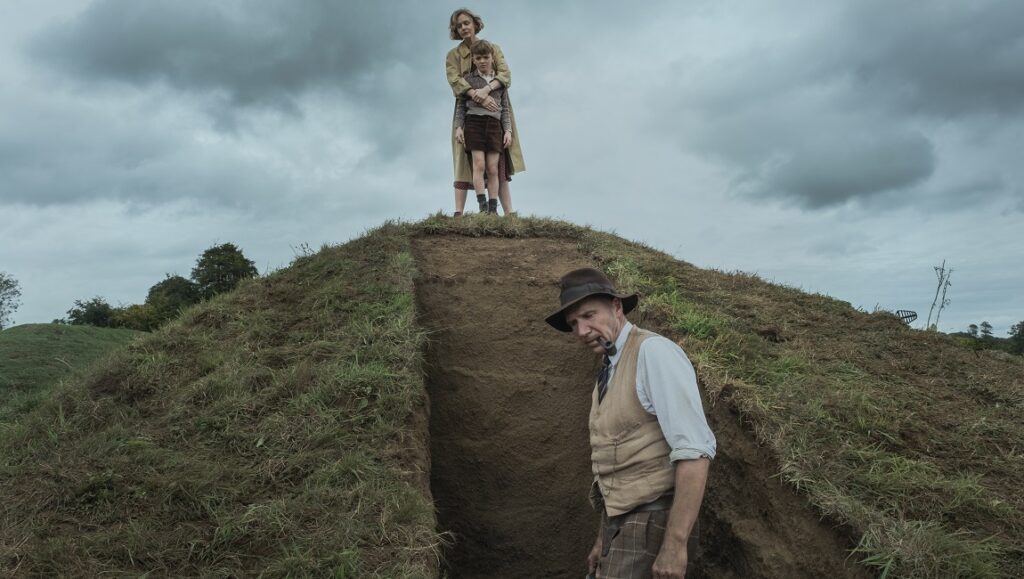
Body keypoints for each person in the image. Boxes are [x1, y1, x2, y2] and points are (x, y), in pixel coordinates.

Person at [544, 268, 717, 579]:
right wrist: (604, 537)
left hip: (654, 522)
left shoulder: (653, 352)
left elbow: (694, 451)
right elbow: (618, 461)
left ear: (616, 307)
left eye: (588, 315)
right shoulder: (610, 368)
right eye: (573, 324)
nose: (582, 330)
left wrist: (674, 545)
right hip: (624, 524)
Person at [445, 8, 525, 216]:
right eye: (459, 25)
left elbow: (505, 75)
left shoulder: (493, 48)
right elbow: (454, 80)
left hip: (495, 107)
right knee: (466, 160)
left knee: (497, 163)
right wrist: (475, 94)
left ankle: (506, 212)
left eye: (466, 23)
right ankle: (459, 212)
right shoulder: (453, 55)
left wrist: (487, 90)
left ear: (474, 23)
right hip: (469, 111)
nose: (463, 28)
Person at [453, 40, 512, 215]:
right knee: (479, 165)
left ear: (492, 58)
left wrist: (507, 130)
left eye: (486, 57)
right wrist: (458, 127)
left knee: (493, 168)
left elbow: (505, 108)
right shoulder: (468, 80)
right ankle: (482, 206)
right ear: (474, 59)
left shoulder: (499, 82)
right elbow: (461, 106)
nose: (483, 61)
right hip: (474, 124)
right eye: (478, 58)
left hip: (494, 126)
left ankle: (493, 208)